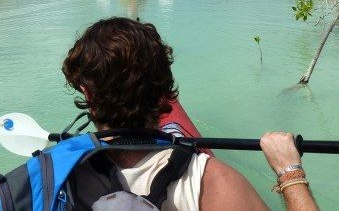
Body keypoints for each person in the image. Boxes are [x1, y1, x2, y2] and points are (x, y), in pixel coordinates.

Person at [62, 17, 319, 211]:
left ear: (87, 93)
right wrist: (290, 173)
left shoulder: (56, 175)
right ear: (163, 89)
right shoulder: (213, 180)